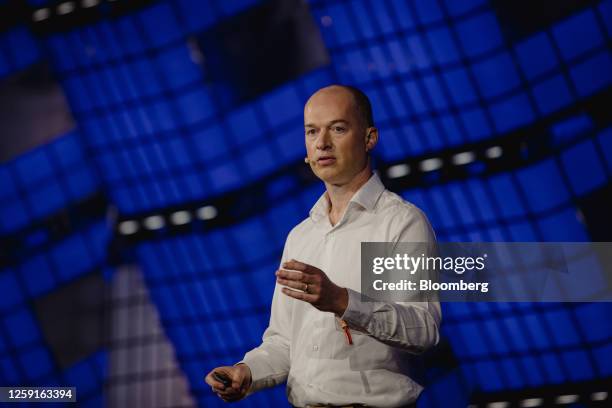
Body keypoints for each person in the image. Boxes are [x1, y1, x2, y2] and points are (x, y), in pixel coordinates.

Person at [205, 85, 441, 407]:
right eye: (312, 131)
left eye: (338, 129)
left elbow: (422, 330)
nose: (322, 143)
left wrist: (343, 301)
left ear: (369, 138)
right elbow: (284, 341)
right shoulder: (301, 236)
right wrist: (246, 372)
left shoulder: (399, 223)